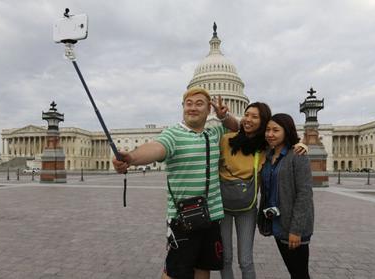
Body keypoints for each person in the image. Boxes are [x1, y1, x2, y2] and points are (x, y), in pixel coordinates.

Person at [112, 87, 238, 279]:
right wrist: (131, 157)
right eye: (188, 104)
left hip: (211, 216)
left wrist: (224, 116)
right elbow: (156, 148)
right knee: (174, 272)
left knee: (203, 267)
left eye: (199, 104)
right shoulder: (173, 134)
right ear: (183, 108)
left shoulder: (214, 133)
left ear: (209, 110)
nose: (193, 108)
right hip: (183, 217)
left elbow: (236, 127)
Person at [216, 104, 308, 279]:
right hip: (222, 206)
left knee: (246, 261)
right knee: (225, 258)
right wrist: (223, 118)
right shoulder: (225, 139)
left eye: (255, 117)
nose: (248, 120)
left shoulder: (266, 148)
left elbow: (286, 146)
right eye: (246, 115)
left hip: (247, 208)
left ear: (263, 122)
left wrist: (303, 144)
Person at [259, 113, 314, 279]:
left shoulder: (297, 155)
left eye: (276, 130)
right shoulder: (268, 155)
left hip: (294, 227)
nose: (270, 134)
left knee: (300, 274)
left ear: (286, 131)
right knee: (293, 271)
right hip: (278, 223)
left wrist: (296, 230)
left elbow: (304, 194)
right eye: (268, 130)